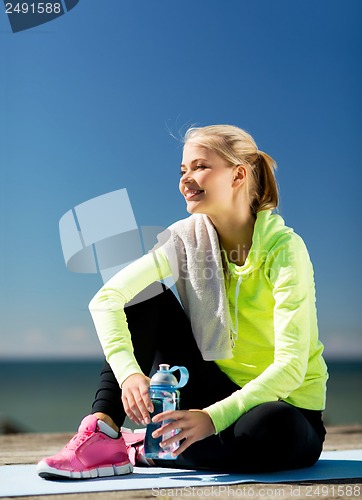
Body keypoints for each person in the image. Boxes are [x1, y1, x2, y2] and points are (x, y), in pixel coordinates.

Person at [37, 125, 328, 479]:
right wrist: (129, 374)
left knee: (274, 425)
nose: (186, 179)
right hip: (211, 384)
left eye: (200, 166)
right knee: (145, 300)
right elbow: (107, 299)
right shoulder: (185, 239)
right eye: (183, 170)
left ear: (238, 174)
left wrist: (210, 418)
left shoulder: (284, 250)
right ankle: (105, 434)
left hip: (283, 406)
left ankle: (150, 447)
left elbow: (291, 367)